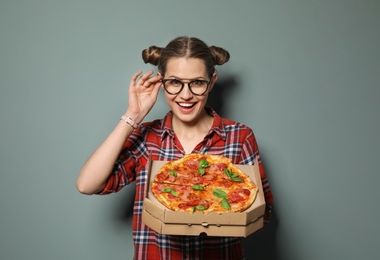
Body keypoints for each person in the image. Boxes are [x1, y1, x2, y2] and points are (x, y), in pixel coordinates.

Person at [76, 36, 273, 260]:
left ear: (213, 81)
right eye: (175, 82)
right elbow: (86, 184)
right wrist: (133, 116)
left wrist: (216, 214)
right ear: (162, 82)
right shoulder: (148, 138)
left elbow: (262, 213)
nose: (186, 95)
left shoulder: (240, 137)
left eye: (197, 82)